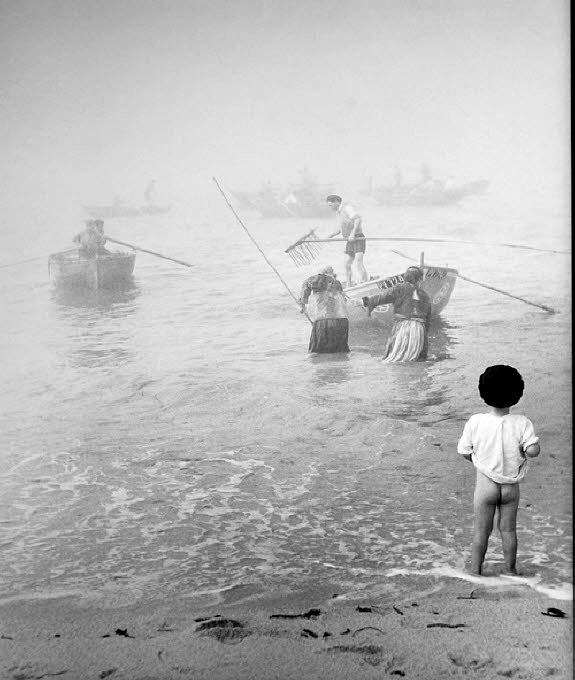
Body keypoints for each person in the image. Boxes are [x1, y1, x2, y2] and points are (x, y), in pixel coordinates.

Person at [457, 365, 540, 575]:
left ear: (482, 393)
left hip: (485, 487)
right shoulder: (522, 422)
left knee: (481, 531)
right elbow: (532, 450)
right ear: (517, 394)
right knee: (509, 530)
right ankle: (511, 570)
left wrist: (479, 461)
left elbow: (464, 451)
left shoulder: (476, 421)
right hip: (510, 488)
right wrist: (530, 448)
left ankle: (475, 570)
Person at [362, 266, 431, 362]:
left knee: (394, 358)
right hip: (419, 329)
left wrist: (368, 301)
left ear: (406, 277)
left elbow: (383, 297)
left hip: (403, 327)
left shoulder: (400, 288)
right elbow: (427, 321)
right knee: (416, 359)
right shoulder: (425, 295)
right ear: (419, 279)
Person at [299, 265, 349, 353]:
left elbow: (304, 299)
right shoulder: (337, 283)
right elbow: (342, 302)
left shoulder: (313, 280)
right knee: (341, 352)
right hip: (342, 321)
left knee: (317, 353)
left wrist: (302, 305)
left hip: (323, 322)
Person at [326, 194, 368, 288]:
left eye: (330, 205)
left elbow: (358, 219)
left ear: (336, 202)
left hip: (358, 237)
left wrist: (353, 234)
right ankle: (349, 285)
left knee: (358, 261)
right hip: (350, 240)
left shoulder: (347, 208)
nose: (330, 208)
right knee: (347, 264)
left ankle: (365, 282)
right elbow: (341, 228)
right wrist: (331, 235)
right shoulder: (338, 213)